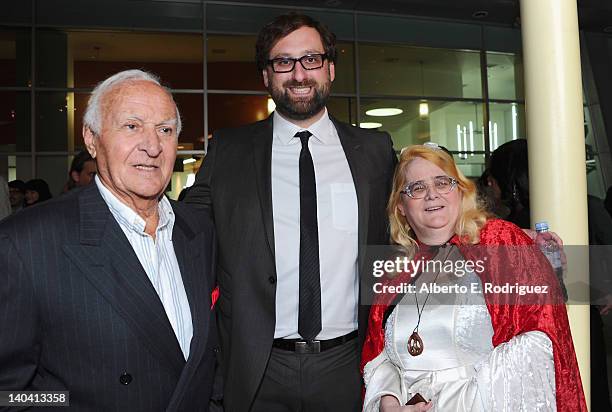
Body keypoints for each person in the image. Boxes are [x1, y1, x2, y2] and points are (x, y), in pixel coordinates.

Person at [185, 13, 396, 412]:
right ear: (267, 76)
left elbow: (409, 233)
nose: (299, 74)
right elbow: (185, 233)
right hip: (256, 368)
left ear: (330, 68)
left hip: (349, 364)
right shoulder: (229, 151)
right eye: (283, 62)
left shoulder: (373, 151)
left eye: (311, 60)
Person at [0, 69, 219, 410]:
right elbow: (9, 393)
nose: (152, 146)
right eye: (132, 126)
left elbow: (207, 362)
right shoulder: (26, 242)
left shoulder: (199, 230)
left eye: (165, 130)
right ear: (91, 139)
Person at [361, 144, 586, 411]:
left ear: (460, 191)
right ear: (401, 206)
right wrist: (389, 401)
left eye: (443, 182)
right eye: (417, 188)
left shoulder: (501, 243)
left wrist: (444, 403)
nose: (432, 194)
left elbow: (539, 344)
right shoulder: (397, 271)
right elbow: (382, 356)